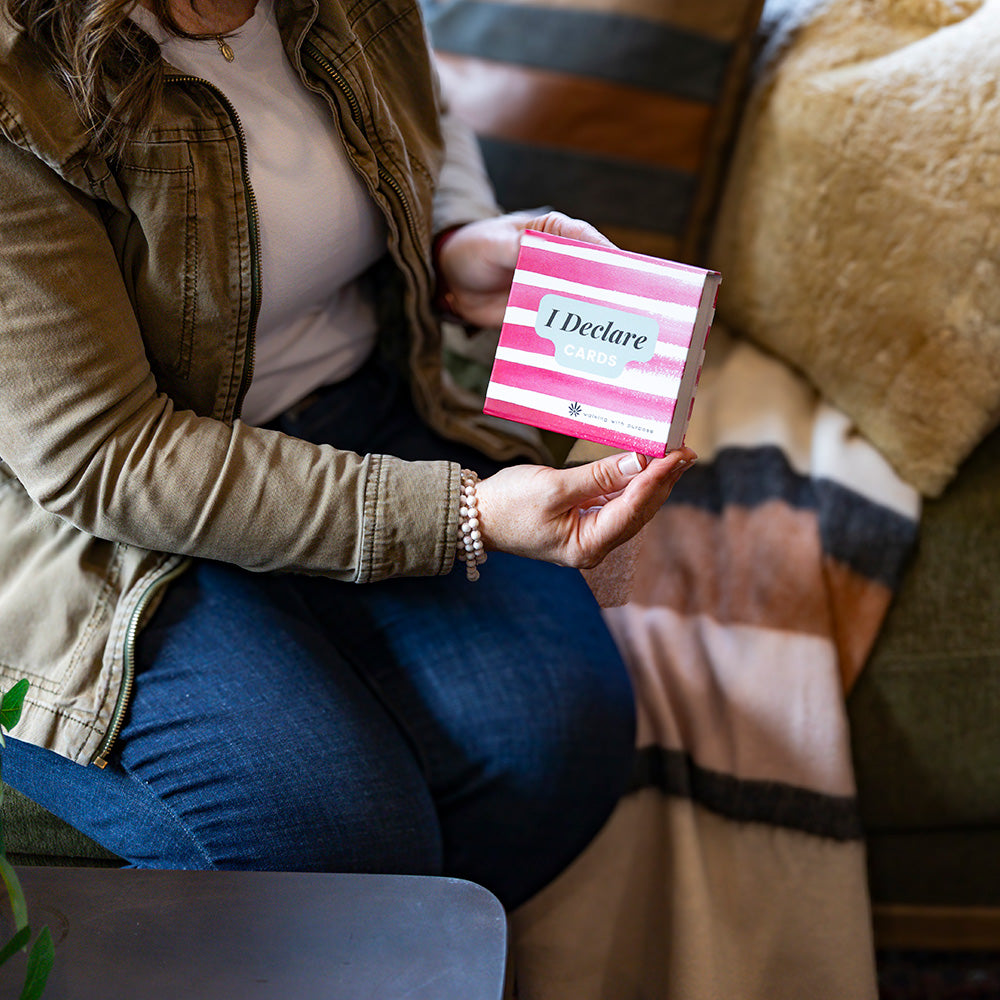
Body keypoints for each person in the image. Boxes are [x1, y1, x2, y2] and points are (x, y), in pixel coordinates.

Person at [0, 0, 694, 909]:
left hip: (354, 406)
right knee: (338, 845)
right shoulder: (19, 82)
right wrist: (462, 517)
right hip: (77, 514)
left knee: (556, 754)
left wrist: (454, 239)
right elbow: (106, 455)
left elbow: (418, 109)